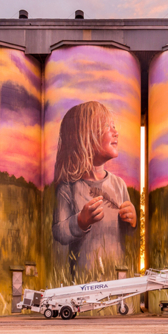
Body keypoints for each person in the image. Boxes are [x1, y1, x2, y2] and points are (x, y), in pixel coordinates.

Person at [52, 101, 137, 274]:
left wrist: (133, 223)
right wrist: (80, 221)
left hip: (116, 278)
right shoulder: (68, 188)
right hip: (84, 282)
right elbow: (58, 232)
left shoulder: (119, 185)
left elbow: (131, 236)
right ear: (85, 137)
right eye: (108, 127)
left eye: (115, 126)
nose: (116, 132)